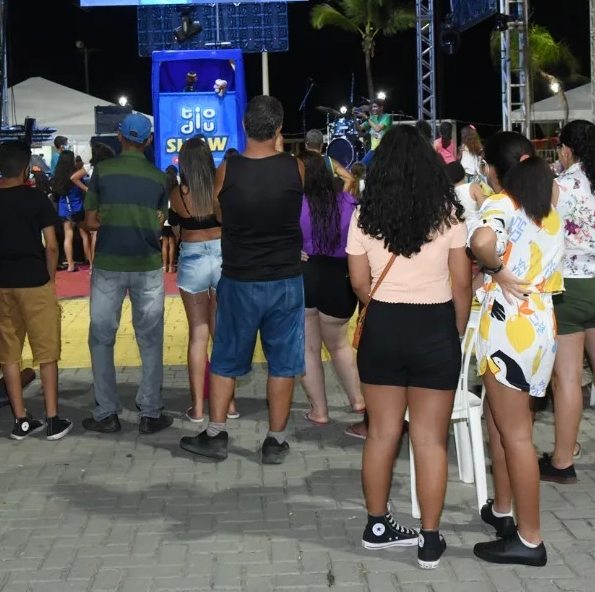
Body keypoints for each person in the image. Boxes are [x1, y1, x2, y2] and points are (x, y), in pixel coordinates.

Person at [345, 124, 471, 569]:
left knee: (382, 433)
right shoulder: (449, 215)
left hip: (382, 325)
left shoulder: (364, 216)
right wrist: (453, 331)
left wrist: (384, 307)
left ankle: (377, 525)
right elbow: (461, 284)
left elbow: (359, 283)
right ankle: (430, 539)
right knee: (430, 440)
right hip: (434, 327)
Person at [180, 96, 305, 464]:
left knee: (226, 358)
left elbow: (220, 209)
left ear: (244, 127)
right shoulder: (295, 167)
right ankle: (274, 441)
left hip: (239, 277)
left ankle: (216, 434)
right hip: (284, 279)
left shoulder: (228, 170)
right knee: (282, 362)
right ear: (279, 129)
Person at [469, 130, 562, 567]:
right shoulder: (547, 206)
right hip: (540, 321)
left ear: (494, 169)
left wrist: (495, 269)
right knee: (503, 421)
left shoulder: (501, 204)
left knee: (517, 435)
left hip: (510, 328)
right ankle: (503, 509)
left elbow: (482, 243)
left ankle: (529, 539)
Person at [541, 119, 595, 483]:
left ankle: (563, 460)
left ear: (566, 150)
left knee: (567, 379)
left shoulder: (558, 188)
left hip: (571, 289)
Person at [81, 114, 173, 435]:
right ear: (148, 141)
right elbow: (160, 222)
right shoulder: (159, 178)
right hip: (147, 267)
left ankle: (106, 412)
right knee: (150, 339)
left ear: (120, 137)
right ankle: (150, 412)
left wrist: (108, 217)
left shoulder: (102, 172)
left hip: (108, 265)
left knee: (101, 339)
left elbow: (90, 221)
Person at [0, 142, 71, 440]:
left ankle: (21, 420)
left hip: (4, 284)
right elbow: (52, 245)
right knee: (46, 352)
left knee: (10, 352)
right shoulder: (36, 198)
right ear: (26, 167)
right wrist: (49, 275)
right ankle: (52, 418)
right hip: (35, 281)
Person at [297, 151, 366, 437]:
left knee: (308, 348)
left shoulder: (294, 205)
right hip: (341, 279)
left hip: (306, 275)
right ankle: (359, 401)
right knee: (339, 346)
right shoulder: (349, 202)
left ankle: (320, 412)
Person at [167, 136, 233, 423]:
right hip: (221, 258)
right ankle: (228, 405)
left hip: (192, 259)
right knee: (222, 335)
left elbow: (176, 230)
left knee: (198, 334)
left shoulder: (176, 194)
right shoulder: (220, 190)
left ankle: (197, 408)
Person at [52, 150, 87, 273]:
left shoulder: (57, 176)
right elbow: (82, 189)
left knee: (68, 235)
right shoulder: (75, 174)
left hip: (64, 208)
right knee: (84, 234)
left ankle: (70, 264)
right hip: (77, 207)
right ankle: (89, 261)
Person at [161, 165, 179, 273]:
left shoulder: (163, 189)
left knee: (164, 242)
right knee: (172, 243)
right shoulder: (176, 190)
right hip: (173, 217)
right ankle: (172, 266)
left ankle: (164, 266)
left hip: (164, 217)